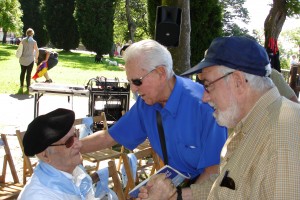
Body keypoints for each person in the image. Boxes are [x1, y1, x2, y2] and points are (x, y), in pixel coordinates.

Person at [137, 36, 300, 199]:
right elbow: (226, 186)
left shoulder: (282, 137)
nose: (204, 97)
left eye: (208, 85)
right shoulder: (250, 125)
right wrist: (174, 196)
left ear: (238, 81)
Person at [80, 39, 227, 193]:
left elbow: (214, 173)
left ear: (161, 73)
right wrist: (72, 146)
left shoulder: (204, 105)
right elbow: (110, 136)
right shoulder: (147, 104)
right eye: (130, 82)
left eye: (137, 81)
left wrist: (175, 196)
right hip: (174, 184)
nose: (133, 89)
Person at [17, 108, 108, 200]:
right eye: (69, 141)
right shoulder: (39, 196)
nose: (79, 144)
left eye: (75, 135)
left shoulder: (73, 172)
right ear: (45, 155)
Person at [18, 28, 39, 93]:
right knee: (28, 73)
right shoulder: (34, 42)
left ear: (26, 33)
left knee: (22, 72)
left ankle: (21, 85)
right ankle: (28, 86)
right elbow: (37, 51)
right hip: (30, 60)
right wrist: (36, 58)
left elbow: (19, 49)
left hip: (22, 59)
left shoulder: (22, 40)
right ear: (32, 34)